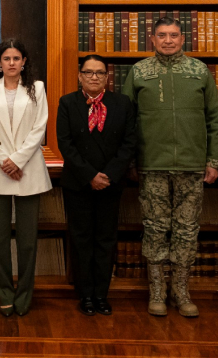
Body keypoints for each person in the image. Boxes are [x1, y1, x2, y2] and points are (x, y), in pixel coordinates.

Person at [121, 17, 218, 318]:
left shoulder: (199, 70)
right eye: (162, 35)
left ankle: (181, 291)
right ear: (152, 39)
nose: (168, 40)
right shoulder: (139, 71)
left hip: (192, 167)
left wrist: (214, 161)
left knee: (187, 231)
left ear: (182, 39)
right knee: (154, 229)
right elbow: (125, 120)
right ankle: (157, 292)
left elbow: (216, 119)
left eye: (174, 35)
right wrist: (130, 162)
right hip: (151, 165)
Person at [0, 39, 50, 317]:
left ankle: (25, 295)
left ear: (24, 62)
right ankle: (4, 293)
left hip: (28, 171)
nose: (12, 63)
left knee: (28, 241)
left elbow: (39, 126)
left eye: (17, 58)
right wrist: (5, 161)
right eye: (7, 58)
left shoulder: (37, 88)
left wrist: (17, 160)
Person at [57, 53, 137, 316]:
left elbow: (129, 144)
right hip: (78, 183)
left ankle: (102, 295)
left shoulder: (122, 103)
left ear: (107, 77)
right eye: (89, 72)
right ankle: (86, 295)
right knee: (81, 239)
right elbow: (65, 144)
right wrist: (90, 175)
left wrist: (108, 175)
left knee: (105, 239)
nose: (94, 77)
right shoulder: (67, 103)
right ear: (80, 76)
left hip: (110, 185)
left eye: (99, 73)